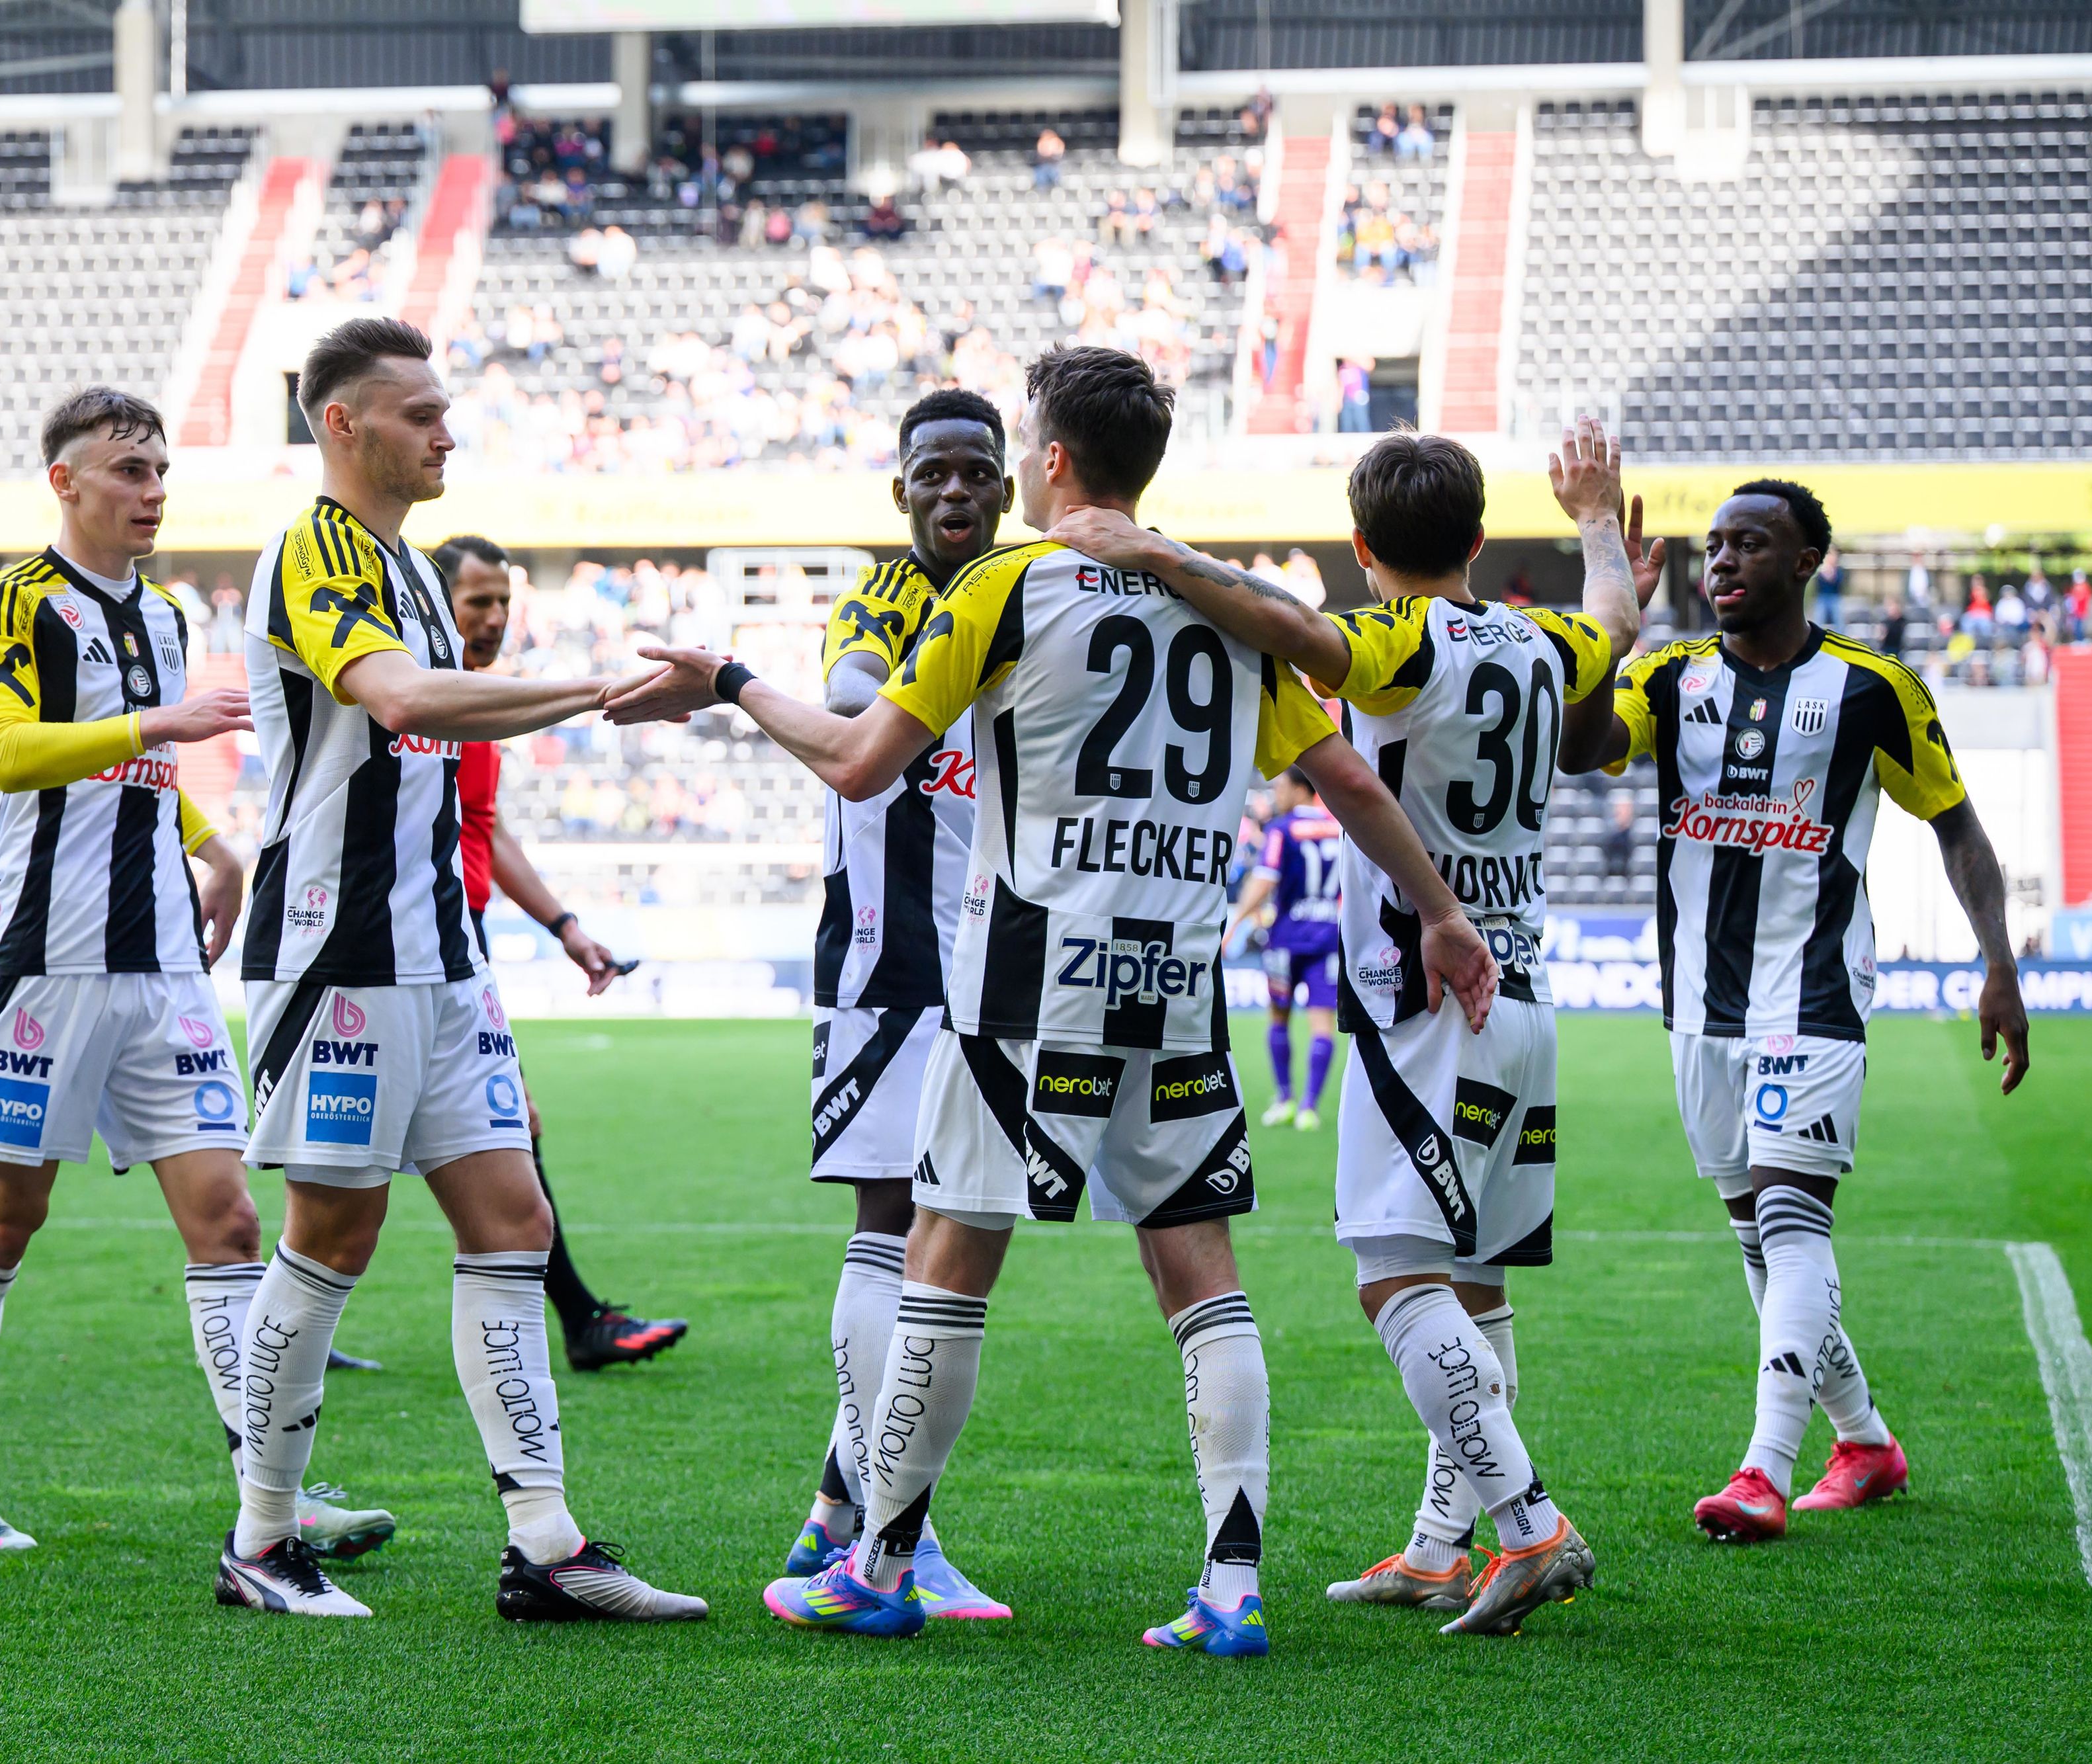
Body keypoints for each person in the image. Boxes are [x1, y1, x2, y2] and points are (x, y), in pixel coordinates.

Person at [604, 345, 1497, 1653]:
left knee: (945, 1257)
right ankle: (1230, 1590)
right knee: (1200, 1275)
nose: (1014, 464)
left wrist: (730, 686)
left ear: (1056, 458)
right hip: (1176, 984)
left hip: (1025, 983)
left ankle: (879, 1563)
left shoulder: (1004, 586)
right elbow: (1352, 786)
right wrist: (1438, 910)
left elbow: (858, 763)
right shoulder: (1224, 604)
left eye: (1022, 443)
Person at [1050, 420, 1646, 1634]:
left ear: (1364, 547)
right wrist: (1595, 519)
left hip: (1421, 998)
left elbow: (1294, 629)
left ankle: (1530, 1525)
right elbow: (1622, 621)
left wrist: (1153, 549)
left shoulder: (1393, 641)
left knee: (1394, 1281)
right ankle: (1441, 1545)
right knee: (1472, 1284)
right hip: (1522, 995)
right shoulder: (1546, 640)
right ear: (1480, 540)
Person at [220, 317, 703, 1622]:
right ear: (343, 424)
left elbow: (442, 719)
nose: (446, 431)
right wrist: (604, 687)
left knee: (512, 1223)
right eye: (419, 413)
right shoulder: (311, 550)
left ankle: (545, 1548)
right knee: (332, 1234)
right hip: (344, 950)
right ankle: (261, 1539)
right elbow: (404, 702)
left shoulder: (415, 567)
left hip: (443, 954)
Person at [0, 387, 394, 1564]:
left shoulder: (172, 612)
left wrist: (211, 842)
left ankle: (270, 1495)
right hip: (48, 962)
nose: (151, 490)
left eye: (160, 470)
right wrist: (161, 727)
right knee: (7, 1215)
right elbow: (10, 752)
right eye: (128, 470)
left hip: (168, 970)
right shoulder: (13, 600)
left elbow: (138, 773)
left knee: (230, 1222)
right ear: (65, 481)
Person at [1558, 478, 2031, 1541]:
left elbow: (1957, 826)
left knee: (1790, 1218)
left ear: (1809, 558)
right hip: (1697, 1001)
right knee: (1759, 1239)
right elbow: (1580, 749)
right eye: (1715, 545)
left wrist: (1999, 962)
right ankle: (1864, 1439)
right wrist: (1613, 633)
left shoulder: (1875, 688)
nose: (1724, 560)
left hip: (1815, 989)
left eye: (1752, 544)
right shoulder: (1670, 676)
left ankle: (1764, 1469)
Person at [775, 388, 1016, 1623]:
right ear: (902, 492)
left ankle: (836, 1514)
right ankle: (890, 1534)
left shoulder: (1022, 587)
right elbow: (861, 699)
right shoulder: (883, 596)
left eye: (978, 471)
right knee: (902, 1227)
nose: (956, 491)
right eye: (935, 474)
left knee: (936, 1238)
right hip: (888, 956)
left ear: (1009, 488)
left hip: (989, 958)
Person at [431, 532, 693, 1363]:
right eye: (478, 602)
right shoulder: (420, 701)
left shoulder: (473, 706)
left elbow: (486, 830)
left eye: (504, 602)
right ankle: (581, 1323)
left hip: (456, 939)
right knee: (492, 1129)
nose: (495, 617)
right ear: (435, 603)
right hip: (411, 941)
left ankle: (287, 1312)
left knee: (479, 1131)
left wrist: (565, 927)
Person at [1224, 771, 1341, 1130]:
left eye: (1281, 787)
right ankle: (1309, 1108)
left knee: (1279, 1017)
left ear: (1299, 788)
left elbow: (1265, 879)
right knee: (1323, 1025)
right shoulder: (1338, 829)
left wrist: (1235, 925)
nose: (1276, 794)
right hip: (1327, 938)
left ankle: (1285, 1099)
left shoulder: (1281, 829)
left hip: (1287, 938)